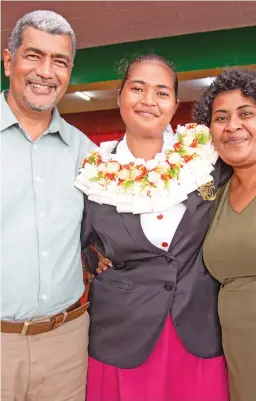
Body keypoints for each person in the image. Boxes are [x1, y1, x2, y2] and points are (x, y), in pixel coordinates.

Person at [77, 54, 230, 401]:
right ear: (119, 97)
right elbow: (77, 239)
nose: (148, 100)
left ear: (175, 104)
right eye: (137, 88)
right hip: (121, 335)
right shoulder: (91, 174)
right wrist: (91, 258)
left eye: (161, 93)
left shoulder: (209, 161)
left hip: (200, 328)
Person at [1, 10, 95, 401]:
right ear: (8, 62)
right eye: (33, 56)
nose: (46, 71)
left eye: (59, 61)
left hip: (66, 343)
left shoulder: (86, 153)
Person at [194, 68, 256, 401]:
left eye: (246, 113)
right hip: (240, 361)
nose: (233, 126)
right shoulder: (212, 193)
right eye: (221, 118)